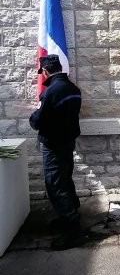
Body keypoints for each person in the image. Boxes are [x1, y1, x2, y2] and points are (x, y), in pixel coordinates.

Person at [29, 54, 83, 250]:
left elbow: (37, 120)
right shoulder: (73, 89)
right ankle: (71, 213)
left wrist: (32, 118)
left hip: (53, 146)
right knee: (65, 179)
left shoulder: (50, 92)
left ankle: (72, 229)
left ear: (45, 71)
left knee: (55, 184)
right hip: (67, 143)